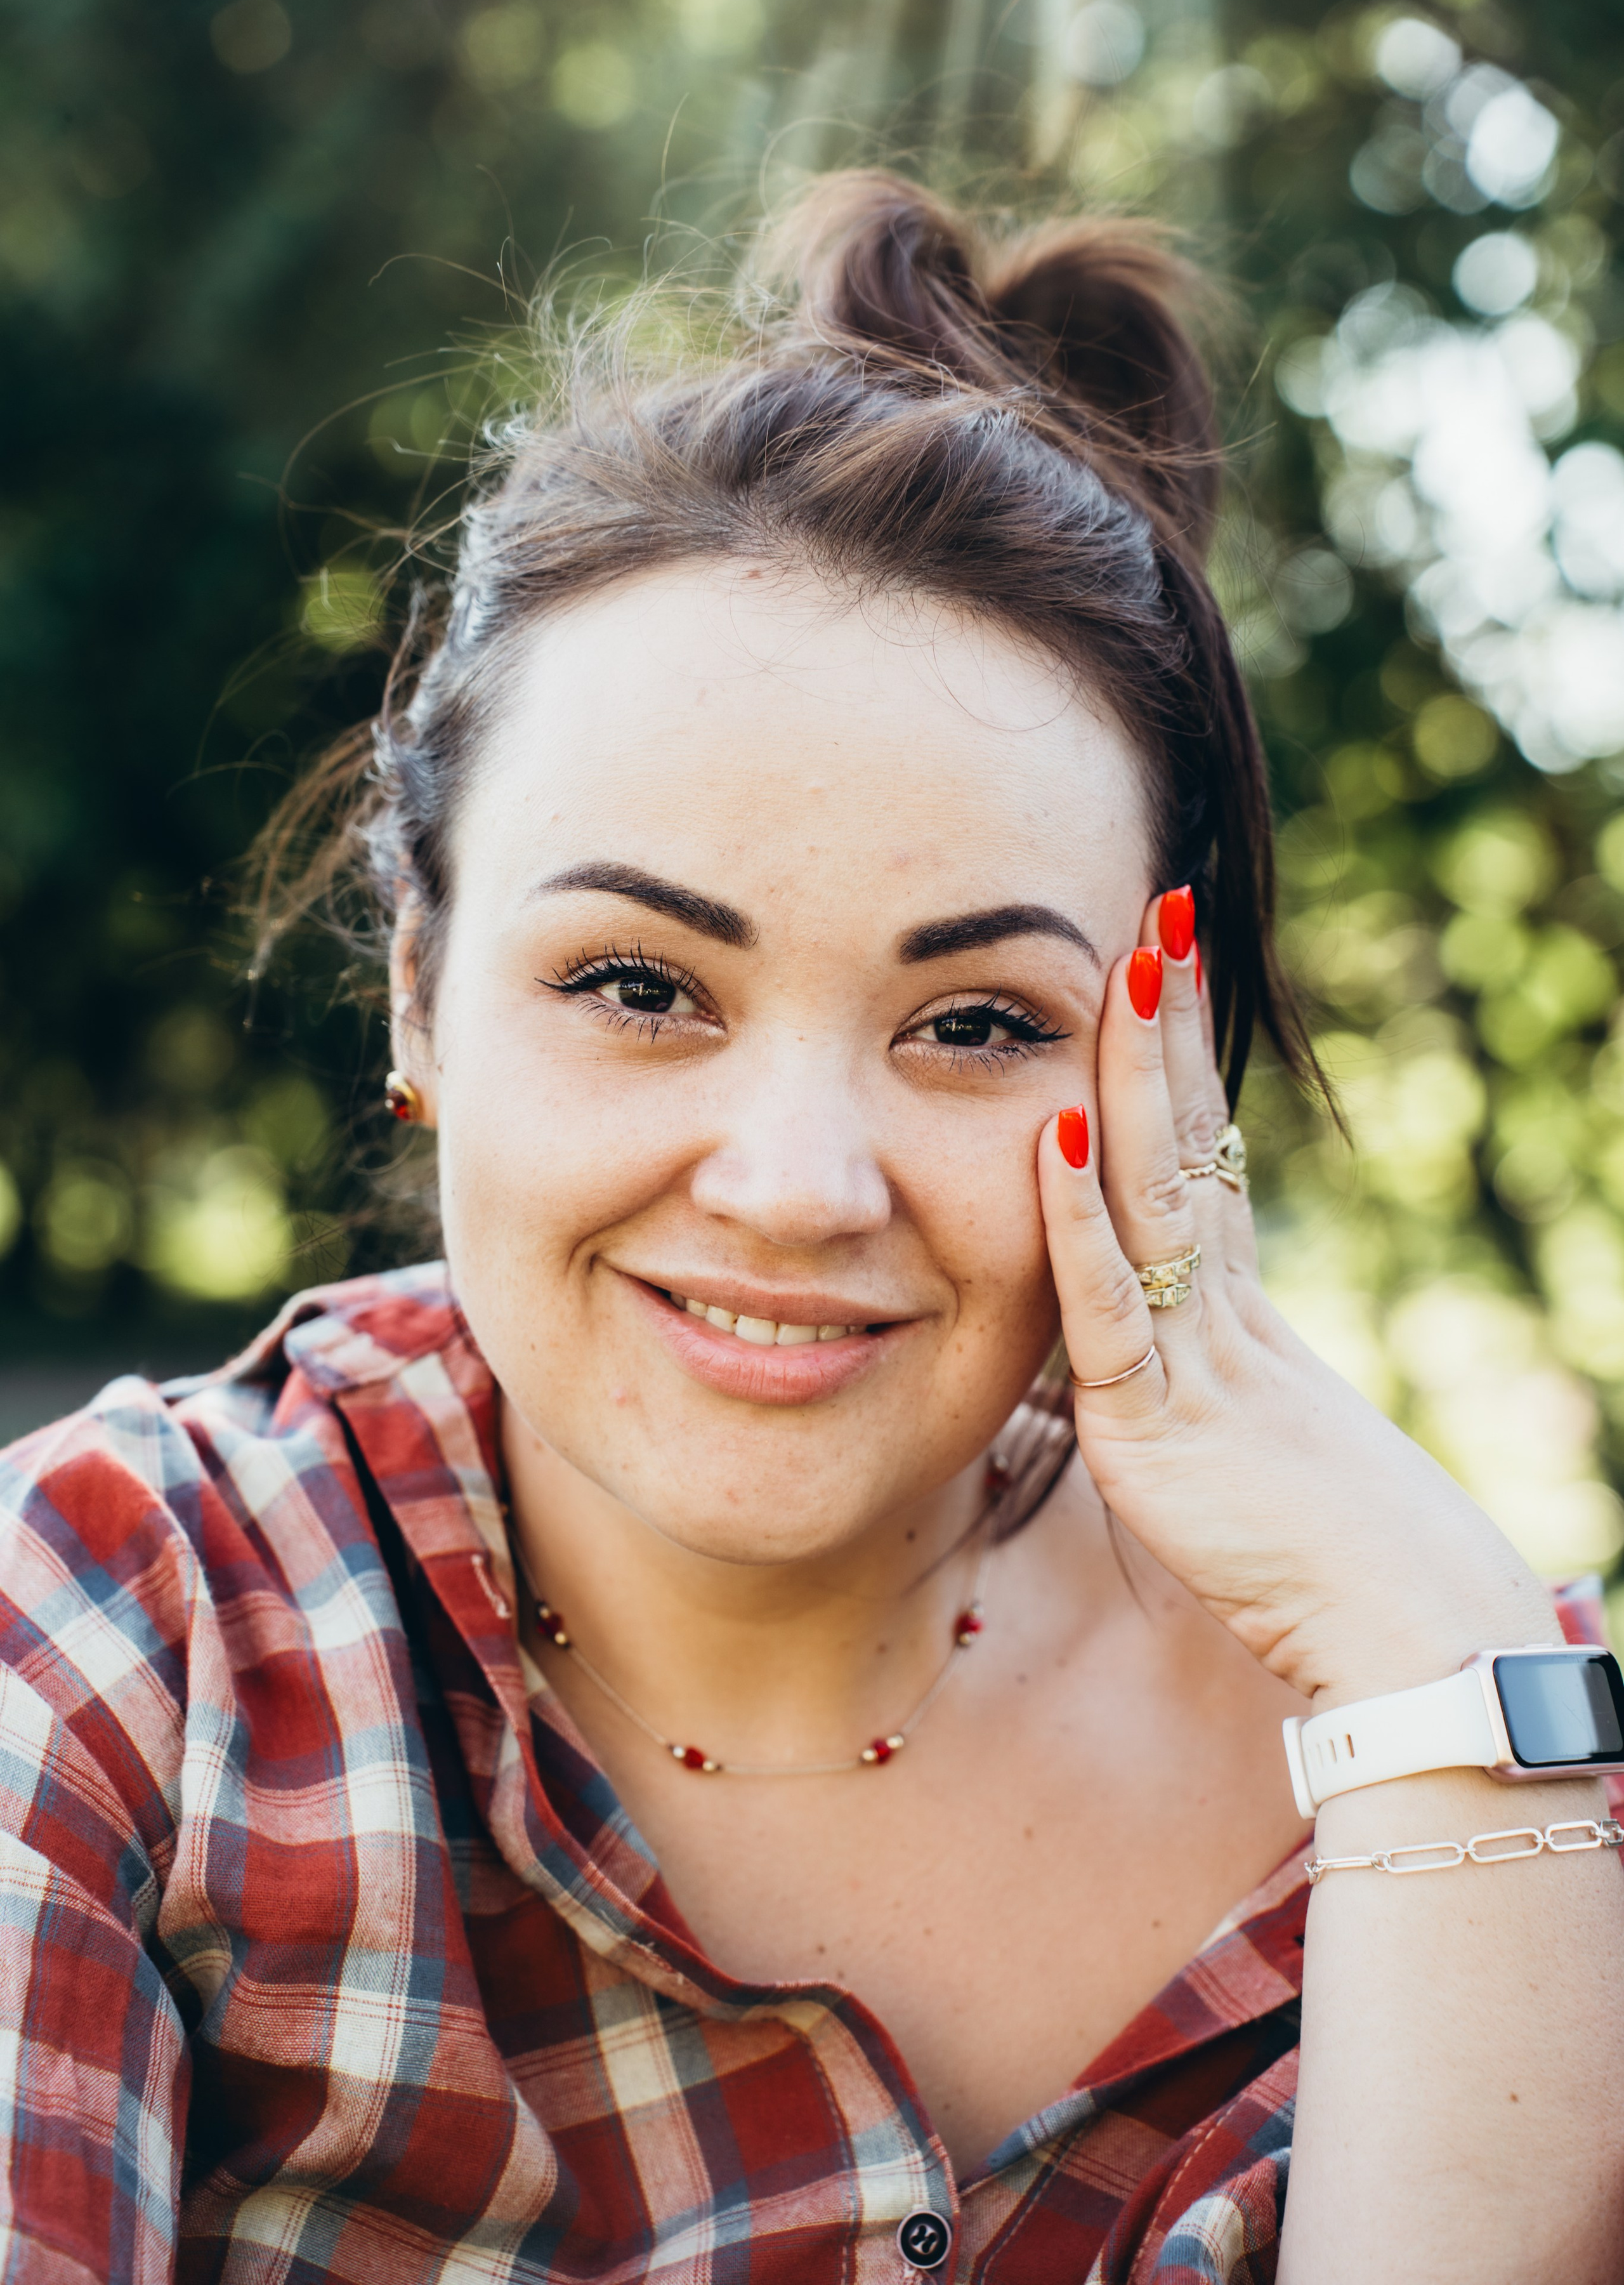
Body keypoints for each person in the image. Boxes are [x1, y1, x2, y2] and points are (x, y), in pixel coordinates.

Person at [3, 173, 1621, 2285]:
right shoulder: (126, 1649)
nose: (792, 1184)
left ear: (1166, 1070)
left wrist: (1438, 1671)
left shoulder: (1475, 1740)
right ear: (419, 990)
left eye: (973, 1022)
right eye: (640, 985)